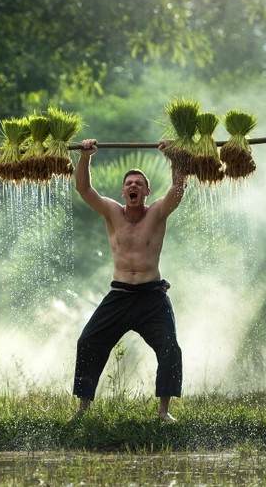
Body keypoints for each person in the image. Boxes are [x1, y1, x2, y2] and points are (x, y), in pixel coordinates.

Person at [71, 138, 187, 422]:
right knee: (88, 342)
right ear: (123, 191)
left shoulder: (157, 212)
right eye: (129, 184)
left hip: (152, 296)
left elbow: (178, 189)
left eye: (139, 183)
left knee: (170, 348)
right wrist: (86, 156)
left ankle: (163, 412)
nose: (133, 186)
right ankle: (83, 409)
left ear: (147, 191)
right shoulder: (112, 212)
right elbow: (84, 189)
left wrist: (174, 158)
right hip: (120, 294)